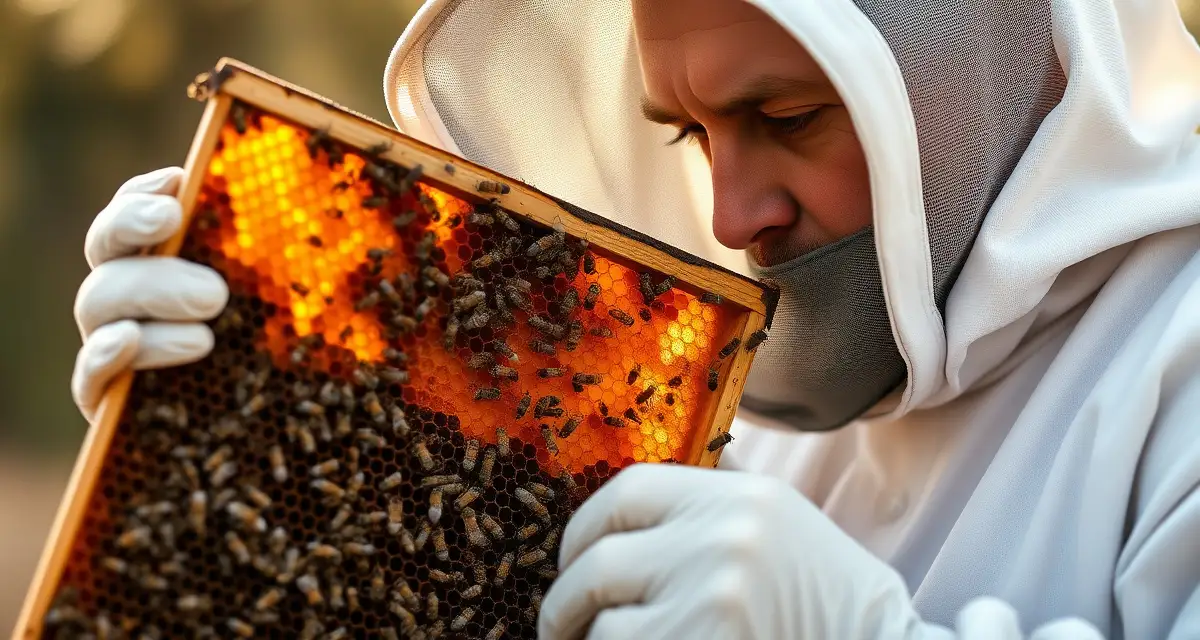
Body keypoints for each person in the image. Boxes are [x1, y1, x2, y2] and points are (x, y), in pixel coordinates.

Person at [71, 0, 1200, 637]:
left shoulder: (1177, 347)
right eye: (690, 134)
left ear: (984, 69)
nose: (730, 216)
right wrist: (241, 427)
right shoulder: (718, 396)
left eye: (791, 114)